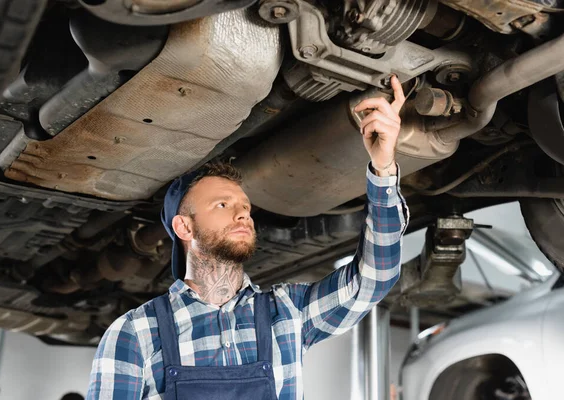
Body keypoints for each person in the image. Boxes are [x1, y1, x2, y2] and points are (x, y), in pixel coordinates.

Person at [87, 76, 409, 400]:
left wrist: (383, 169)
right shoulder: (136, 333)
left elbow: (373, 278)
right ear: (185, 227)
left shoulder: (288, 313)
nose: (243, 214)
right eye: (222, 205)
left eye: (245, 206)